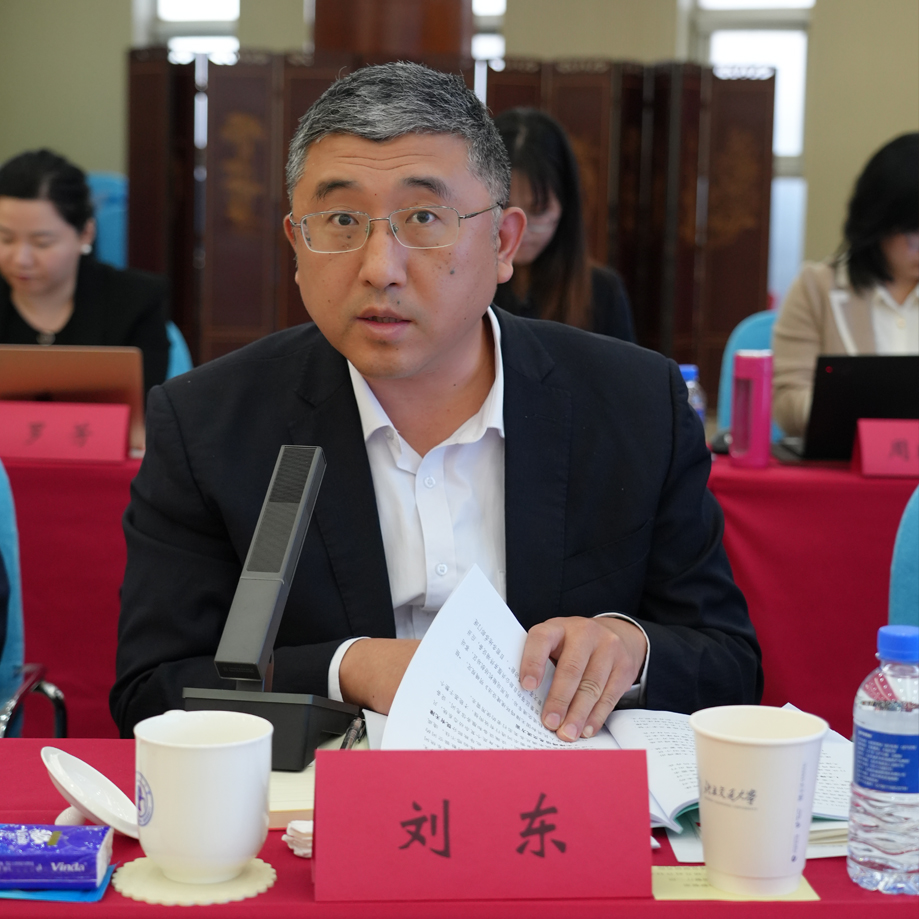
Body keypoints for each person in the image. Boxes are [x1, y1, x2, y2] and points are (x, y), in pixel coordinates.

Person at [111, 63, 761, 742]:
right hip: (323, 797)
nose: (379, 267)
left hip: (559, 792)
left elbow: (730, 665)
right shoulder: (209, 423)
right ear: (297, 246)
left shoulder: (633, 404)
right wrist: (347, 667)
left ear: (503, 243)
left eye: (423, 218)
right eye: (340, 220)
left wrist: (630, 648)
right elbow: (152, 691)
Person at [772, 132, 919, 436]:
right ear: (878, 221)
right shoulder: (816, 289)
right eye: (914, 231)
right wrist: (858, 410)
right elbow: (786, 402)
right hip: (845, 462)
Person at [0, 149, 170, 396]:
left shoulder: (136, 301)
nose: (21, 259)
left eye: (41, 243)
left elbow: (144, 408)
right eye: (5, 239)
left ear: (86, 234)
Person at [491, 108, 635, 343]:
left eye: (539, 209)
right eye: (504, 208)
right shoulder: (462, 285)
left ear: (565, 206)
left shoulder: (603, 291)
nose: (520, 229)